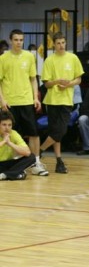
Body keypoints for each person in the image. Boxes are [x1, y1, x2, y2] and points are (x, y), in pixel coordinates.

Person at [0, 29, 48, 177]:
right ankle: (15, 164)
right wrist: (2, 100)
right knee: (11, 133)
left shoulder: (29, 56)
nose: (19, 42)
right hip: (9, 102)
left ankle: (36, 163)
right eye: (16, 40)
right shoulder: (3, 58)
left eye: (21, 40)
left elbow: (33, 79)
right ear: (10, 41)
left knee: (33, 132)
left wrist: (35, 97)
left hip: (26, 101)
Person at [40, 32, 84, 174]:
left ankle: (39, 151)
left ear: (66, 43)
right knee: (55, 132)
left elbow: (79, 79)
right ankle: (59, 161)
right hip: (52, 101)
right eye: (58, 43)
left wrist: (69, 84)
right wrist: (57, 81)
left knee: (61, 130)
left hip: (66, 100)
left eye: (63, 43)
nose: (61, 45)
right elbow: (46, 84)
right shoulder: (49, 60)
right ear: (54, 44)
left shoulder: (73, 58)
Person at [0, 109, 35, 181]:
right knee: (21, 174)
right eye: (4, 125)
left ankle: (5, 175)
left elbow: (27, 152)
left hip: (7, 163)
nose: (7, 128)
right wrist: (4, 141)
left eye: (9, 125)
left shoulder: (14, 133)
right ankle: (15, 174)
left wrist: (10, 143)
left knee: (31, 157)